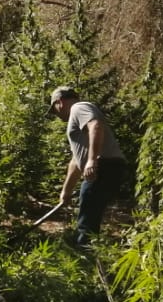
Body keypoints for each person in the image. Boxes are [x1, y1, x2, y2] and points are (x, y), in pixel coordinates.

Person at [48, 86, 129, 247]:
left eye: (54, 110)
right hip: (107, 166)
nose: (56, 115)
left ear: (60, 102)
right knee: (90, 211)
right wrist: (66, 192)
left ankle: (85, 255)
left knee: (88, 215)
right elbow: (76, 161)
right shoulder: (76, 118)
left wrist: (92, 160)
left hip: (105, 165)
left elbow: (95, 126)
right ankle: (89, 251)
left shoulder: (79, 107)